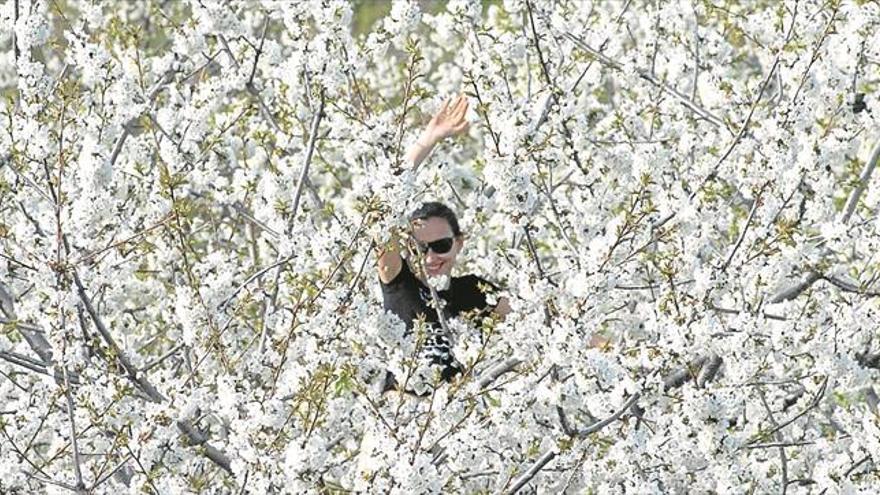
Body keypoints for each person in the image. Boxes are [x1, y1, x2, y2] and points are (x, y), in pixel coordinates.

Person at [376, 95, 511, 394]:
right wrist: (428, 140)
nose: (431, 256)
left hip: (452, 424)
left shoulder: (473, 292)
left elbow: (538, 320)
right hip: (400, 417)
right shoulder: (398, 283)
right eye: (420, 248)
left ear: (458, 243)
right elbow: (383, 208)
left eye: (441, 245)